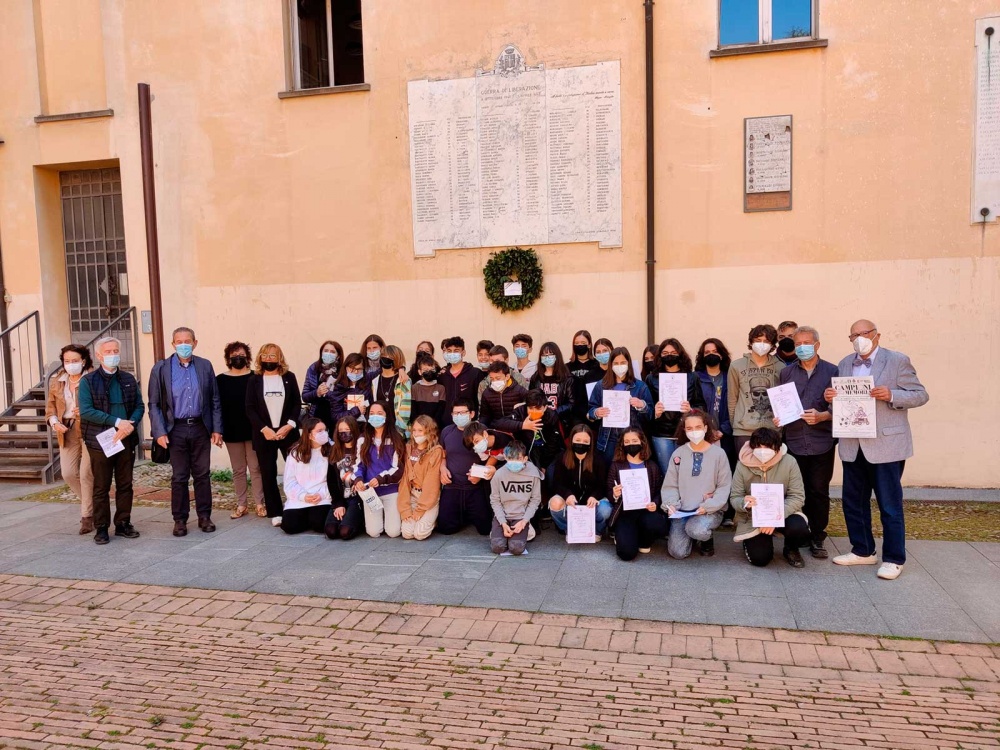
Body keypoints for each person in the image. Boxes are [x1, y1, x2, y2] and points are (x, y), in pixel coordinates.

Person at [827, 319, 929, 581]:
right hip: (853, 442)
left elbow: (920, 394)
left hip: (886, 445)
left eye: (864, 333)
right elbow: (842, 404)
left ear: (876, 335)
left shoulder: (897, 360)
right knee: (853, 502)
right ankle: (862, 550)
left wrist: (892, 395)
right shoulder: (845, 363)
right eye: (854, 335)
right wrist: (831, 399)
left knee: (889, 504)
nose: (859, 338)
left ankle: (894, 558)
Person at [148, 327, 223, 537]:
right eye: (179, 341)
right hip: (175, 429)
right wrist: (159, 431)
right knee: (179, 476)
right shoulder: (161, 369)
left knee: (202, 474)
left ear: (195, 343)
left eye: (187, 341)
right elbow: (153, 403)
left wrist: (217, 428)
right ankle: (179, 519)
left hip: (200, 426)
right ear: (173, 344)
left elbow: (214, 399)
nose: (183, 344)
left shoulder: (204, 366)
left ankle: (204, 516)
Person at [774, 325, 838, 558]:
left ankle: (818, 537)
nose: (801, 348)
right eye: (797, 344)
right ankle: (796, 536)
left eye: (805, 343)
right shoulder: (786, 373)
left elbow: (844, 407)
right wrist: (779, 417)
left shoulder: (834, 371)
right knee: (794, 491)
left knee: (818, 491)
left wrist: (825, 415)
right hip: (794, 441)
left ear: (817, 345)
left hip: (822, 441)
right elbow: (782, 404)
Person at [78, 336, 145, 545]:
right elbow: (87, 411)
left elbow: (139, 406)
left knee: (125, 484)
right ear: (99, 356)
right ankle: (102, 527)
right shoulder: (88, 381)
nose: (113, 355)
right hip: (101, 440)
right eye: (108, 352)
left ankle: (123, 523)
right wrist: (117, 421)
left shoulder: (128, 378)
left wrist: (129, 424)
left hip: (125, 438)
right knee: (101, 486)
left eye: (116, 351)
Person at [730, 428, 810, 568]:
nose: (762, 450)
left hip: (783, 512)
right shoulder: (742, 464)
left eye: (767, 447)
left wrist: (774, 519)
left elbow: (797, 497)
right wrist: (744, 502)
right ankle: (751, 541)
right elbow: (735, 497)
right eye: (758, 446)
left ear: (777, 447)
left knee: (798, 528)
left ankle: (791, 548)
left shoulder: (789, 462)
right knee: (760, 559)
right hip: (753, 517)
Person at [662, 410, 732, 559]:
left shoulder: (719, 454)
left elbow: (724, 486)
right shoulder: (678, 453)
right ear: (684, 430)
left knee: (697, 530)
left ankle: (705, 537)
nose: (694, 432)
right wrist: (671, 504)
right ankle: (690, 535)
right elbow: (670, 484)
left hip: (709, 510)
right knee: (677, 553)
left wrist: (709, 506)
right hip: (683, 510)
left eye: (698, 427)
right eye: (689, 428)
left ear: (706, 428)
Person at [245, 343, 301, 525]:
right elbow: (250, 408)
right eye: (265, 355)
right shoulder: (254, 380)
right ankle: (275, 511)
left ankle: (300, 504)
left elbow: (296, 404)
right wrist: (264, 429)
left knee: (297, 470)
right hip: (264, 435)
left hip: (288, 433)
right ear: (260, 358)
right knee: (268, 473)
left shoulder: (289, 377)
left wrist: (289, 425)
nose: (269, 359)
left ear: (280, 358)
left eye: (273, 355)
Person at [46, 344, 94, 534]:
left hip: (89, 428)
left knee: (86, 473)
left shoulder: (92, 379)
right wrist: (54, 421)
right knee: (67, 472)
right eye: (67, 361)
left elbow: (102, 404)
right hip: (66, 429)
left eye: (75, 361)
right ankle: (95, 504)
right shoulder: (58, 381)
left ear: (83, 361)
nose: (71, 364)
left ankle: (87, 517)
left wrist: (86, 411)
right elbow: (50, 408)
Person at [217, 341, 265, 519]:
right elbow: (217, 406)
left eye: (242, 355)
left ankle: (260, 503)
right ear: (228, 359)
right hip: (231, 431)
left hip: (254, 430)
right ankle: (242, 504)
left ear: (248, 357)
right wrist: (217, 430)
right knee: (238, 469)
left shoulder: (256, 377)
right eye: (234, 355)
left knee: (255, 468)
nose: (238, 358)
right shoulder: (220, 380)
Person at [607, 428, 668, 560]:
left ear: (642, 442)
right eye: (627, 441)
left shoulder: (652, 466)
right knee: (626, 554)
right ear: (622, 445)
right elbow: (609, 493)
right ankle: (625, 536)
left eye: (634, 440)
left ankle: (643, 539)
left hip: (645, 510)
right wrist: (615, 494)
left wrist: (655, 503)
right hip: (625, 512)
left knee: (659, 525)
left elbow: (659, 491)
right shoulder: (616, 466)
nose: (631, 444)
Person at [587, 346, 653, 464]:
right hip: (608, 440)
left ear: (629, 363)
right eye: (616, 363)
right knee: (609, 475)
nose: (619, 366)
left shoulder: (640, 386)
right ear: (611, 365)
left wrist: (642, 405)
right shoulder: (601, 385)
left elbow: (650, 415)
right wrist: (596, 412)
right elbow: (590, 411)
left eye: (623, 362)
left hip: (632, 440)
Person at [437, 399, 494, 535]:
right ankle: (461, 515)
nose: (458, 416)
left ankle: (468, 514)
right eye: (455, 413)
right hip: (452, 486)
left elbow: (494, 456)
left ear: (472, 413)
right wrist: (442, 469)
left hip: (475, 486)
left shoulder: (482, 430)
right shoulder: (446, 432)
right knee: (446, 528)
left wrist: (480, 475)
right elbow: (442, 455)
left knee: (485, 529)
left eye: (462, 412)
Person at [645, 338, 698, 475]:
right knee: (668, 474)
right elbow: (647, 409)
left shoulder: (692, 377)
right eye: (665, 352)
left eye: (673, 352)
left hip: (686, 432)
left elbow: (701, 404)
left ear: (680, 354)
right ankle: (669, 497)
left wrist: (691, 410)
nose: (669, 355)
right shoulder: (651, 379)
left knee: (686, 473)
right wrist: (654, 412)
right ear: (660, 355)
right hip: (661, 434)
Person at [549, 425, 612, 540]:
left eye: (585, 441)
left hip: (592, 501)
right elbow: (557, 483)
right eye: (577, 440)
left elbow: (603, 485)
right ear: (571, 440)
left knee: (605, 510)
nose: (581, 443)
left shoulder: (598, 459)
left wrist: (594, 496)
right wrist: (567, 495)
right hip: (572, 500)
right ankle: (569, 528)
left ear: (590, 443)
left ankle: (597, 531)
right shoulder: (562, 458)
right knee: (555, 502)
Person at [728, 324, 784, 453]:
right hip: (744, 430)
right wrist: (736, 423)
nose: (762, 344)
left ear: (772, 345)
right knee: (746, 470)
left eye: (766, 341)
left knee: (771, 470)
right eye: (758, 341)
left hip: (772, 430)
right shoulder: (736, 366)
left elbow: (783, 400)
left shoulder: (781, 368)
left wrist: (781, 425)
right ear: (751, 342)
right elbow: (732, 398)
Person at [353, 401, 405, 537]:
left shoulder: (396, 439)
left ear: (387, 416)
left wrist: (381, 479)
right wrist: (358, 479)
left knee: (393, 532)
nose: (375, 416)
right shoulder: (363, 439)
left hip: (391, 490)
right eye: (372, 413)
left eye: (379, 413)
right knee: (373, 532)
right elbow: (358, 464)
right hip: (371, 492)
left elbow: (398, 468)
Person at [280, 417, 339, 535]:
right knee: (289, 526)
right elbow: (289, 480)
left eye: (325, 430)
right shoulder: (295, 453)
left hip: (322, 497)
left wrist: (321, 494)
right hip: (300, 497)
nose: (324, 433)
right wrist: (303, 496)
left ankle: (312, 518)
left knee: (319, 524)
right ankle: (307, 517)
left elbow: (335, 480)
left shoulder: (332, 450)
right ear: (309, 435)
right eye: (319, 431)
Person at [489, 441, 541, 556]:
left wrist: (524, 521)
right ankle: (499, 532)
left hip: (521, 516)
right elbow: (495, 500)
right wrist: (502, 522)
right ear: (505, 457)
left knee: (516, 549)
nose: (514, 462)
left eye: (518, 458)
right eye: (510, 459)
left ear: (525, 459)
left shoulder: (533, 474)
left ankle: (526, 529)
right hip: (502, 515)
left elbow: (535, 500)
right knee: (498, 547)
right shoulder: (499, 474)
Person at [498, 389, 564, 477]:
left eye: (538, 408)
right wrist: (523, 425)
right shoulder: (520, 411)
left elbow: (553, 443)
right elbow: (500, 423)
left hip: (546, 452)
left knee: (550, 476)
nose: (534, 411)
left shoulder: (551, 416)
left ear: (544, 407)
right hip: (526, 451)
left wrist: (544, 465)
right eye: (530, 408)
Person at [398, 415, 443, 540]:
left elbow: (432, 483)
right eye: (414, 430)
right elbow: (405, 479)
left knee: (420, 534)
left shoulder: (435, 451)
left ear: (429, 432)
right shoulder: (408, 448)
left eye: (420, 430)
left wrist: (421, 509)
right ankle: (424, 519)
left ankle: (432, 520)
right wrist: (405, 509)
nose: (416, 434)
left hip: (428, 498)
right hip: (412, 494)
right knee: (407, 534)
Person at [327, 416, 365, 540]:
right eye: (340, 430)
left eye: (347, 429)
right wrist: (338, 504)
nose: (344, 433)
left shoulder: (362, 449)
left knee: (345, 532)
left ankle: (358, 521)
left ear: (354, 429)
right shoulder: (335, 450)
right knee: (331, 531)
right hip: (341, 496)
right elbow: (331, 480)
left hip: (357, 498)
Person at [528, 341, 575, 432]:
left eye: (550, 354)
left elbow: (571, 403)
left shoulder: (567, 378)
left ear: (557, 356)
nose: (547, 357)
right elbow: (531, 400)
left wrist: (555, 413)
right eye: (544, 355)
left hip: (559, 421)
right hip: (539, 420)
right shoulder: (536, 378)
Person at [440, 336, 486, 423]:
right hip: (447, 423)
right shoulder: (442, 376)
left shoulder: (475, 373)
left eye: (456, 351)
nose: (452, 354)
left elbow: (482, 400)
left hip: (470, 423)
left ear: (463, 353)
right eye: (449, 351)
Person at [369, 344, 412, 436]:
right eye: (383, 356)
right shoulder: (375, 381)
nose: (386, 358)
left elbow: (405, 412)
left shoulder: (403, 381)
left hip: (398, 432)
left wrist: (398, 434)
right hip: (379, 431)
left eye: (390, 357)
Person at [302, 340, 343, 426]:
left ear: (338, 356)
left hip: (337, 417)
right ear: (321, 353)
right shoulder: (313, 369)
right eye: (326, 351)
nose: (328, 354)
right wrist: (317, 393)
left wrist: (331, 393)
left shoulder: (342, 371)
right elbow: (305, 396)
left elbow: (345, 395)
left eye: (332, 352)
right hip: (316, 417)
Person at [479, 361, 528, 427]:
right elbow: (484, 416)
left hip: (517, 428)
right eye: (492, 379)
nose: (495, 381)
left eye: (498, 378)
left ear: (507, 376)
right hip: (496, 429)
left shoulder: (519, 391)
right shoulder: (486, 394)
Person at [328, 353, 373, 424]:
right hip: (347, 427)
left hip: (366, 427)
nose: (355, 372)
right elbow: (335, 416)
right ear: (346, 368)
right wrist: (356, 411)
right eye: (352, 368)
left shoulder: (367, 382)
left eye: (359, 369)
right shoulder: (339, 387)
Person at [409, 353, 448, 429]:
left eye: (432, 370)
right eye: (426, 370)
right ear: (420, 372)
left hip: (434, 428)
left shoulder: (441, 388)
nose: (429, 372)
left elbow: (440, 411)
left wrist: (432, 426)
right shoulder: (414, 388)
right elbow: (413, 411)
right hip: (419, 427)